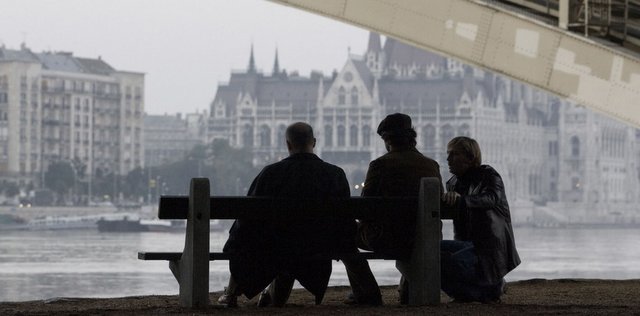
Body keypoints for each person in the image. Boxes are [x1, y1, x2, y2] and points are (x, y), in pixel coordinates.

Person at [218, 122, 380, 307]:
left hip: (277, 243)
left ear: (288, 144)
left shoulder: (270, 173)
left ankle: (231, 294)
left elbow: (249, 216)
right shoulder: (335, 174)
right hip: (321, 244)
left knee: (244, 234)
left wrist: (235, 241)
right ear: (315, 142)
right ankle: (369, 295)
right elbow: (344, 219)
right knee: (341, 242)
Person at [355, 113, 442, 304]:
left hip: (385, 239)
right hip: (426, 238)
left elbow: (364, 207)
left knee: (343, 235)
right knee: (412, 229)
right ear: (412, 137)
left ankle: (367, 292)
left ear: (387, 140)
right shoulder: (432, 165)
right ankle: (408, 288)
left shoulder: (379, 165)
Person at [440, 136, 521, 303]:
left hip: (489, 245)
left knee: (448, 263)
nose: (448, 159)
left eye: (454, 154)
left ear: (470, 157)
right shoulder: (453, 183)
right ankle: (486, 289)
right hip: (467, 243)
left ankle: (487, 291)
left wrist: (461, 200)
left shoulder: (489, 175)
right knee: (427, 250)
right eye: (448, 154)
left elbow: (491, 198)